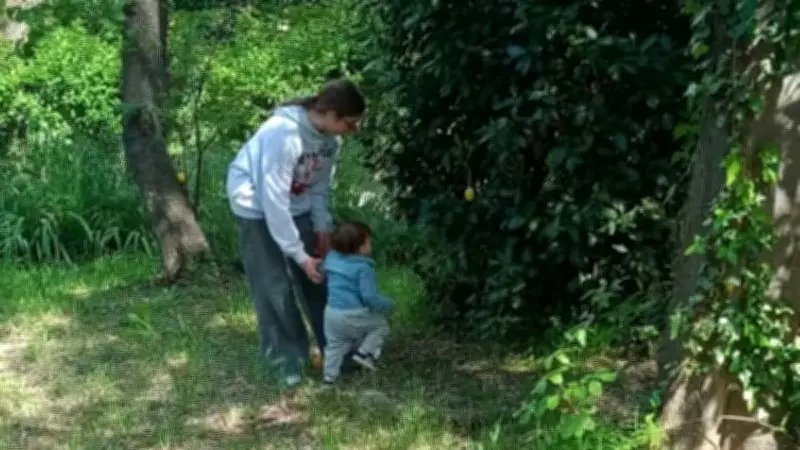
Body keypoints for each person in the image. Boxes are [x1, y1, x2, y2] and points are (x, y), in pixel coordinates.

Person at [226, 78, 366, 387]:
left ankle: (338, 353)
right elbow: (273, 200)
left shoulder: (330, 141)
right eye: (350, 122)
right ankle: (285, 362)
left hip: (296, 206)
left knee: (320, 278)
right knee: (274, 285)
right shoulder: (283, 134)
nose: (353, 130)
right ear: (329, 113)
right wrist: (299, 255)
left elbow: (318, 189)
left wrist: (321, 229)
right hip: (256, 208)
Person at [321, 220, 394, 385]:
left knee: (334, 345)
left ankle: (329, 380)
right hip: (352, 314)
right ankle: (364, 354)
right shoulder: (363, 268)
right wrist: (387, 304)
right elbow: (369, 296)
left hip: (331, 313)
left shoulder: (331, 258)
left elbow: (323, 272)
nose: (371, 244)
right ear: (359, 247)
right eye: (369, 241)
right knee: (381, 325)